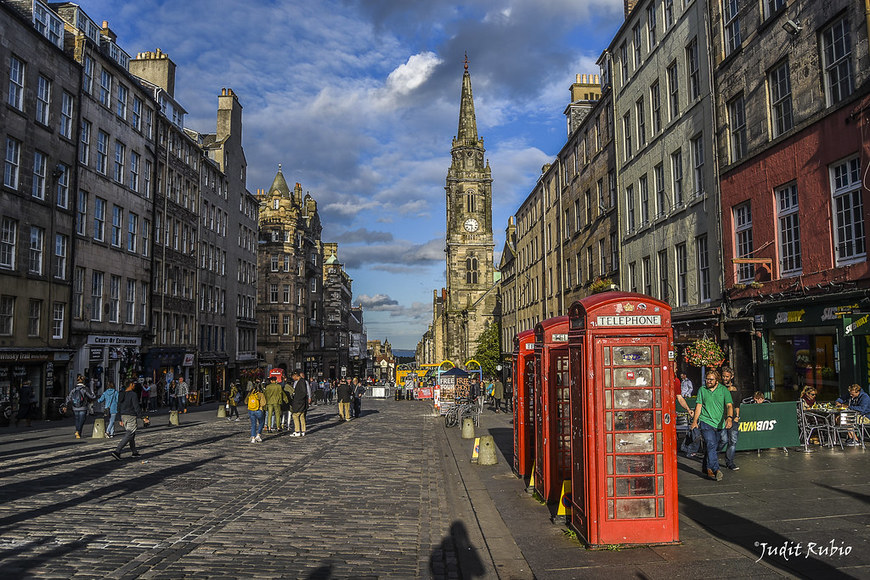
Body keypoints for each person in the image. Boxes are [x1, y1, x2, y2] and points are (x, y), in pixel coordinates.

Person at [690, 370, 734, 481]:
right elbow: (699, 406)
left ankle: (707, 464)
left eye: (711, 379)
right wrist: (695, 421)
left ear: (717, 381)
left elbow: (729, 405)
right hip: (706, 422)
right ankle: (716, 469)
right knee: (710, 444)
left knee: (722, 442)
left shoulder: (724, 390)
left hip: (719, 423)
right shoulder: (702, 390)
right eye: (707, 379)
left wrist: (729, 418)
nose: (708, 381)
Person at [112, 381, 145, 460]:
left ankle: (134, 452)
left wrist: (120, 418)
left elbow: (118, 406)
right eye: (133, 384)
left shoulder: (122, 394)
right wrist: (142, 417)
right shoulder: (133, 394)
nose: (134, 385)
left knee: (132, 434)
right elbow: (136, 406)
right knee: (129, 433)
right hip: (131, 415)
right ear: (131, 384)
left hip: (123, 415)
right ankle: (117, 451)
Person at [721, 367, 741, 471]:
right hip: (721, 418)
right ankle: (711, 456)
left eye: (727, 376)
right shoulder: (719, 387)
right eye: (723, 376)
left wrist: (737, 417)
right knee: (723, 440)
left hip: (733, 418)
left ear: (731, 377)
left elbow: (737, 404)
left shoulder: (736, 389)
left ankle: (730, 462)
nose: (724, 378)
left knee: (733, 441)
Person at [291, 371, 310, 436]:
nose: (293, 378)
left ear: (295, 376)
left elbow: (304, 392)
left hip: (299, 402)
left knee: (295, 415)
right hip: (302, 402)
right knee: (302, 416)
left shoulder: (301, 382)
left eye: (293, 377)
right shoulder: (302, 381)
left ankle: (297, 431)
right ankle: (303, 431)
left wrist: (298, 399)